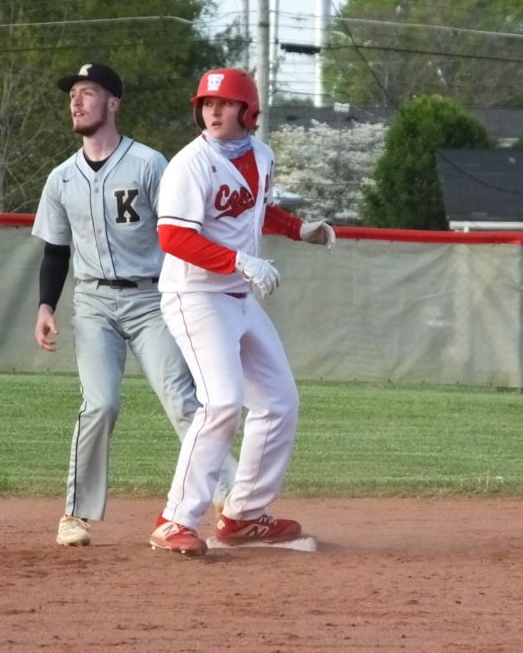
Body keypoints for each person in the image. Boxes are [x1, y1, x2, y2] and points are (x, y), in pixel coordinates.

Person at [32, 62, 236, 547]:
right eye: (73, 94)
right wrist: (45, 306)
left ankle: (232, 495)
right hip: (93, 303)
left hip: (151, 297)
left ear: (113, 103)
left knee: (182, 399)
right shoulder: (61, 178)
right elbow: (56, 251)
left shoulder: (148, 164)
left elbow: (180, 230)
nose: (76, 101)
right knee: (100, 404)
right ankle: (75, 515)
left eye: (87, 92)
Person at [148, 67, 335, 556]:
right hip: (195, 296)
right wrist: (239, 260)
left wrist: (299, 229)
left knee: (279, 401)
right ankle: (174, 520)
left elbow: (256, 209)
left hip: (238, 295)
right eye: (207, 104)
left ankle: (244, 515)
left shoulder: (261, 155)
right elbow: (173, 237)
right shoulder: (189, 164)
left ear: (247, 111)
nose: (213, 111)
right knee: (222, 402)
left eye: (225, 103)